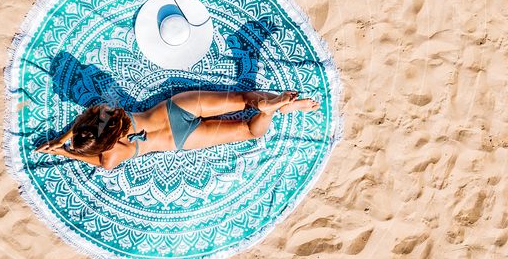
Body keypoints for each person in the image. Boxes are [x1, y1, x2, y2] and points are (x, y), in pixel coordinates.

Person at [35, 90, 319, 170]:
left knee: (249, 130)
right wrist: (64, 137)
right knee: (244, 98)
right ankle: (273, 103)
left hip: (181, 138)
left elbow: (96, 158)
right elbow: (89, 119)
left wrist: (66, 152)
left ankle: (267, 113)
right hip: (174, 108)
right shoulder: (105, 114)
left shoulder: (112, 155)